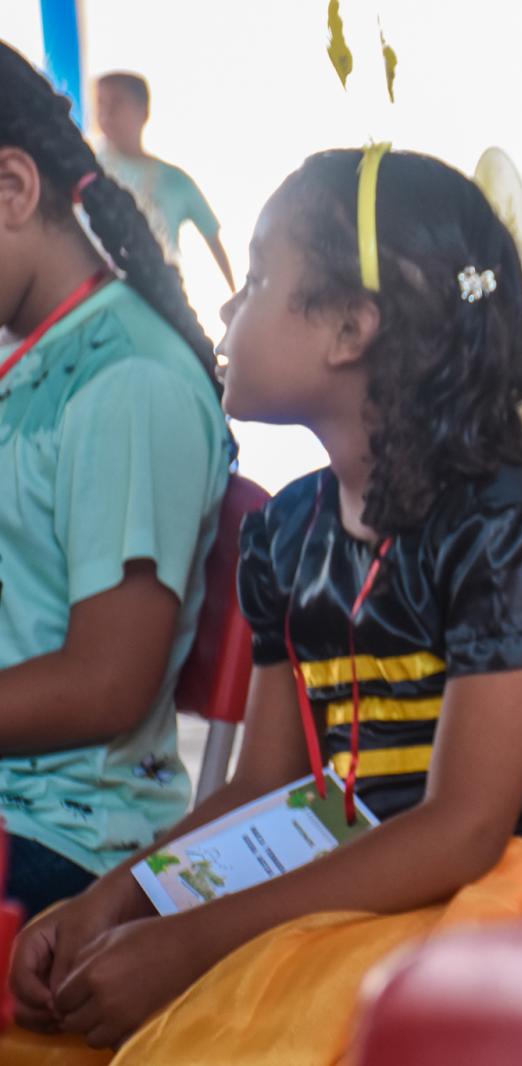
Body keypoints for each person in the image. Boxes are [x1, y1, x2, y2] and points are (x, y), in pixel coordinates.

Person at [4, 146, 522, 1063]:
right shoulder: (291, 534)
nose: (227, 306)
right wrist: (119, 897)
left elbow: (464, 830)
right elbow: (269, 785)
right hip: (384, 861)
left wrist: (193, 941)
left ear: (349, 329)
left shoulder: (514, 533)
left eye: (253, 281)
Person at [0, 43, 230, 918]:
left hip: (65, 840)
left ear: (15, 190)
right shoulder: (28, 351)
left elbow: (108, 683)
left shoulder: (129, 381)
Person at [95, 71, 234, 289]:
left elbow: (213, 241)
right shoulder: (87, 166)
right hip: (97, 291)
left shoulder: (175, 181)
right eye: (101, 103)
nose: (106, 113)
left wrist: (234, 295)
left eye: (117, 103)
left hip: (158, 295)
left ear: (143, 112)